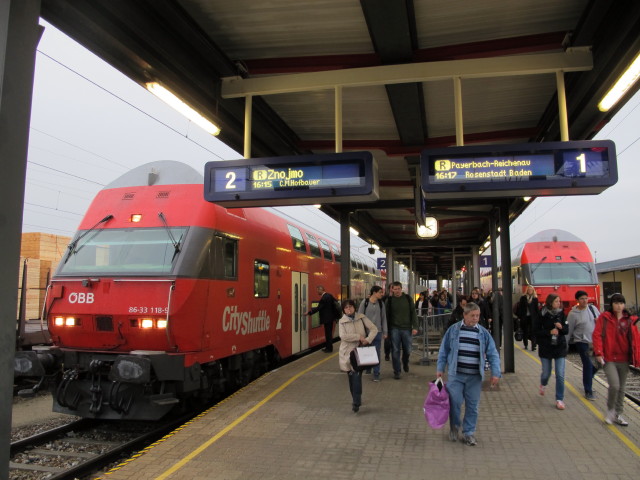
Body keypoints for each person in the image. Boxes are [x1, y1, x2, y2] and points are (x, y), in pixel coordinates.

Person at [437, 302, 501, 446]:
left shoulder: (484, 333)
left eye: (477, 316)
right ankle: (454, 427)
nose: (475, 318)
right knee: (455, 403)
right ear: (464, 315)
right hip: (456, 375)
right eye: (472, 316)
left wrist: (495, 373)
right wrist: (440, 368)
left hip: (474, 377)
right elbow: (444, 350)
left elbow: (492, 353)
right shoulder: (453, 331)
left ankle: (469, 433)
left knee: (473, 406)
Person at [593, 293, 640, 425]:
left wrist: (636, 356)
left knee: (622, 388)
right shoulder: (605, 318)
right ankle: (610, 410)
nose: (619, 306)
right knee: (614, 385)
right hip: (608, 358)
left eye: (621, 303)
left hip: (624, 358)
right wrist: (598, 352)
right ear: (611, 305)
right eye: (616, 303)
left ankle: (618, 414)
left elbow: (636, 339)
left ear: (624, 305)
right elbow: (597, 335)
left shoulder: (630, 320)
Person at [338, 299, 378, 412]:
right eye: (346, 308)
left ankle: (356, 401)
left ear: (354, 307)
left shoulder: (361, 317)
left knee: (356, 376)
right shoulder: (342, 321)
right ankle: (355, 399)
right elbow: (343, 336)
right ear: (343, 310)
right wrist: (358, 337)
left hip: (360, 352)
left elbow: (374, 329)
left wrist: (368, 340)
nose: (348, 309)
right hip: (347, 353)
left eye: (350, 306)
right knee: (352, 377)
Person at [535, 293, 568, 410]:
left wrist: (561, 328)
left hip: (559, 347)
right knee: (546, 373)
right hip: (546, 348)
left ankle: (559, 399)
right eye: (556, 302)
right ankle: (543, 384)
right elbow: (536, 331)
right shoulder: (542, 314)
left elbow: (566, 330)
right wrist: (549, 332)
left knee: (560, 374)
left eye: (559, 301)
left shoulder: (561, 314)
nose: (558, 304)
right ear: (550, 303)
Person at [567, 290, 600, 400]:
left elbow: (602, 323)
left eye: (586, 298)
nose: (585, 300)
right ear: (577, 301)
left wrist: (598, 321)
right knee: (588, 365)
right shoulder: (573, 314)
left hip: (595, 342)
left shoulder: (593, 309)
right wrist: (565, 344)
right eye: (582, 298)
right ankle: (588, 391)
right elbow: (569, 330)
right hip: (582, 342)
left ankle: (588, 380)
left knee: (599, 364)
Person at [385, 281, 418, 379]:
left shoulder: (408, 299)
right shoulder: (389, 301)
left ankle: (405, 362)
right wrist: (386, 330)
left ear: (401, 288)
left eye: (398, 289)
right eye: (394, 289)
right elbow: (386, 316)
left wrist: (415, 326)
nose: (397, 291)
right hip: (394, 328)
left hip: (407, 328)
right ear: (392, 289)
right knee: (395, 350)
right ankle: (397, 371)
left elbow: (413, 313)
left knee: (407, 349)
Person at [358, 285, 388, 381]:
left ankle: (376, 373)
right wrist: (360, 332)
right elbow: (359, 317)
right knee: (367, 351)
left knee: (377, 353)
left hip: (378, 332)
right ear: (374, 293)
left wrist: (385, 331)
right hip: (367, 332)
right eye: (380, 292)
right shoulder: (365, 302)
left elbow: (383, 318)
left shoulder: (381, 303)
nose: (382, 294)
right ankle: (368, 367)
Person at [307, 285, 338, 353]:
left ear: (321, 290)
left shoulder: (324, 297)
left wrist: (309, 312)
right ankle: (328, 347)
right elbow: (335, 302)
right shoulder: (329, 295)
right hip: (331, 318)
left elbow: (318, 308)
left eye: (318, 290)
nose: (317, 291)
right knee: (329, 333)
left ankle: (329, 349)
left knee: (328, 334)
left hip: (327, 319)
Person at [516, 285, 540, 351]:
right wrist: (519, 317)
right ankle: (526, 344)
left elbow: (536, 309)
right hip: (525, 317)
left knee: (533, 331)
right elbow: (520, 308)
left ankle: (533, 346)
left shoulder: (535, 298)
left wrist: (538, 317)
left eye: (531, 290)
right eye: (529, 289)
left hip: (532, 317)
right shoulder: (523, 298)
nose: (530, 291)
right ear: (527, 290)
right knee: (525, 331)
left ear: (533, 291)